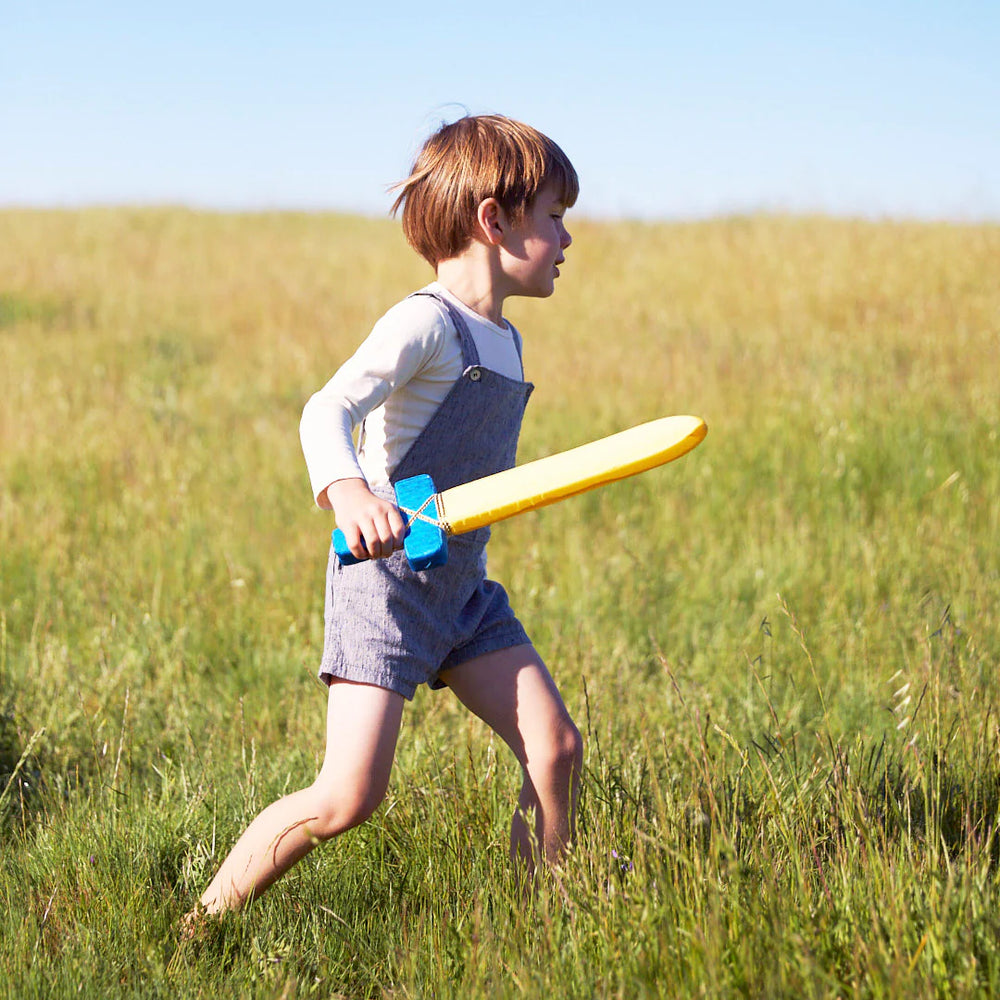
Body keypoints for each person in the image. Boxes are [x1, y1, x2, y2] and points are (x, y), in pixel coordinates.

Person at [188, 114, 583, 920]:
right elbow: (325, 408)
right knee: (346, 797)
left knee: (556, 749)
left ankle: (531, 924)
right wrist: (350, 493)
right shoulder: (424, 324)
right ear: (493, 220)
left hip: (462, 588)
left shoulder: (504, 340)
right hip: (388, 586)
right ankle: (204, 923)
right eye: (554, 214)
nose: (568, 237)